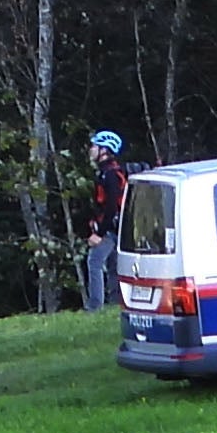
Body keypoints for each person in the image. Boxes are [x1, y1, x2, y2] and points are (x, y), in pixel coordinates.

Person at [81, 131, 132, 309]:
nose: (91, 149)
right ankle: (115, 305)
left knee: (94, 262)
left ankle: (95, 306)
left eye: (94, 146)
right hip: (117, 227)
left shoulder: (109, 175)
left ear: (104, 150)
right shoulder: (110, 172)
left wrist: (99, 233)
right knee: (113, 267)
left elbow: (111, 206)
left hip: (110, 228)